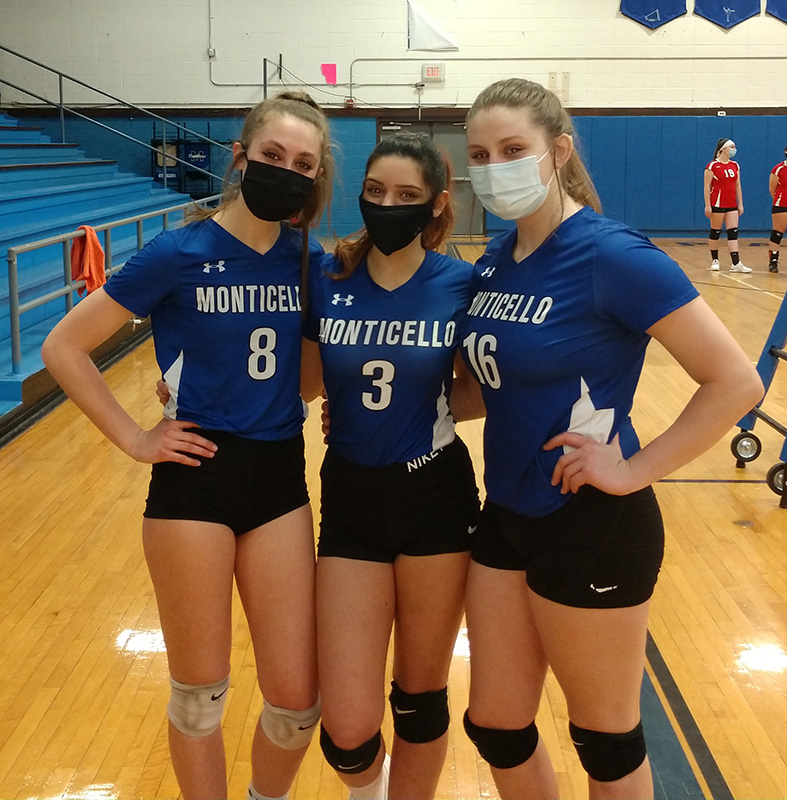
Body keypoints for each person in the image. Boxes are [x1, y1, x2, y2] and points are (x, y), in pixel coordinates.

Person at [454, 78, 763, 800]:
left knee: (604, 741)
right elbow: (483, 386)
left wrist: (632, 469)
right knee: (496, 725)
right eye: (478, 153)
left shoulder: (609, 254)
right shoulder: (495, 263)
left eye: (511, 149)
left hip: (590, 521)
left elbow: (735, 380)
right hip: (506, 513)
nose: (491, 164)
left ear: (556, 151)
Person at [41, 90, 334, 800]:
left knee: (297, 706)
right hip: (193, 481)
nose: (286, 172)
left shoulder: (307, 259)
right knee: (199, 696)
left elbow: (312, 376)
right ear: (240, 157)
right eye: (272, 156)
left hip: (278, 479)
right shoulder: (178, 252)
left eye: (303, 163)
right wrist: (137, 438)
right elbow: (64, 347)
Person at [305, 133, 480, 800]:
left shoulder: (459, 284)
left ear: (437, 205)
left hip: (435, 493)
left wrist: (418, 408)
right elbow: (298, 381)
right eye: (375, 192)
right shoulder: (329, 275)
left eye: (406, 196)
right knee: (346, 731)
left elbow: (483, 386)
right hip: (350, 496)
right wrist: (184, 386)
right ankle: (366, 789)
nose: (387, 205)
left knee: (419, 698)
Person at [703, 137, 751, 272]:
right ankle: (715, 260)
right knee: (715, 231)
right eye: (732, 147)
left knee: (733, 232)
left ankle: (736, 263)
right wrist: (708, 205)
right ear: (723, 149)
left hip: (731, 203)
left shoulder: (735, 165)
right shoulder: (712, 166)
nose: (734, 150)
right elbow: (707, 186)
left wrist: (740, 204)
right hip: (717, 203)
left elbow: (737, 185)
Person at [767, 145, 787, 273]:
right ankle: (773, 260)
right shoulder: (779, 169)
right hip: (782, 203)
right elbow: (772, 189)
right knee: (778, 233)